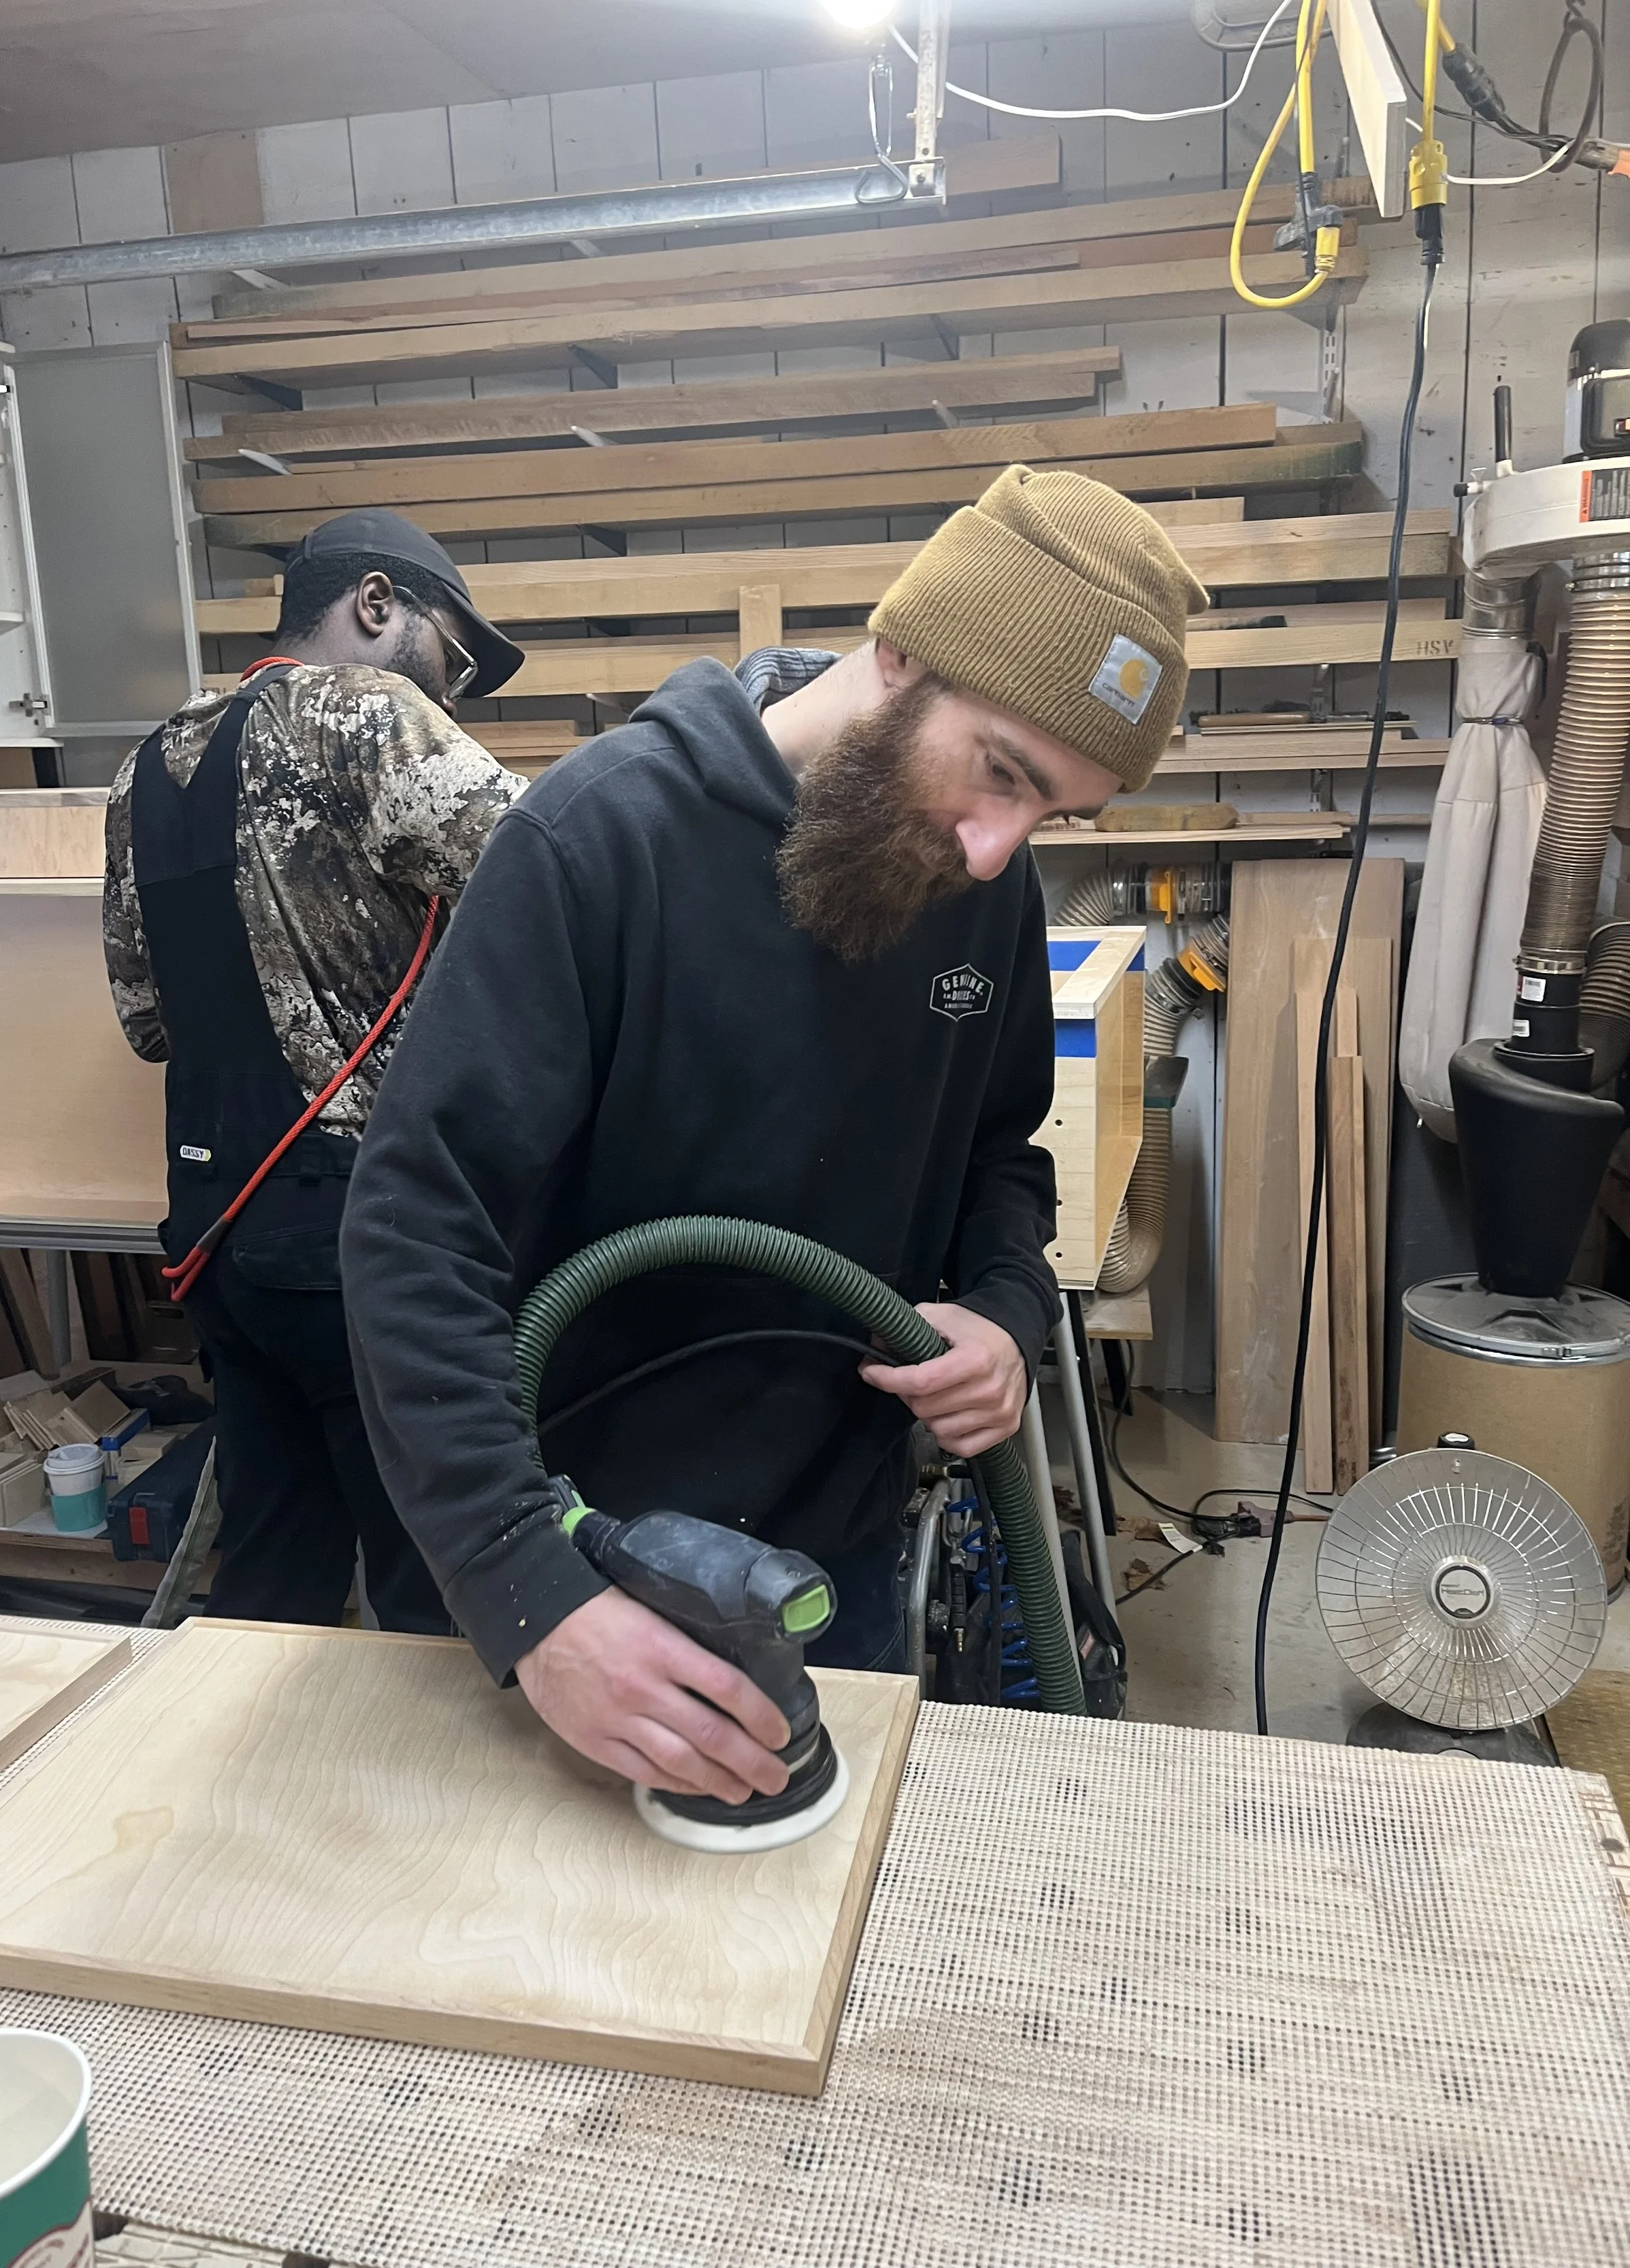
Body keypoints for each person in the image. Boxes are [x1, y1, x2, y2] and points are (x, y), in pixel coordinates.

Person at [342, 467, 1204, 1797]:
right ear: (900, 654)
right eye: (999, 775)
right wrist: (526, 1582)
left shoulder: (982, 890)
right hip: (572, 1569)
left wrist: (1000, 1305)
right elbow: (413, 1233)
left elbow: (999, 1154)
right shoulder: (596, 840)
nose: (995, 849)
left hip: (823, 1564)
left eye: (1052, 814)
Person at [103, 507, 529, 1631]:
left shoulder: (144, 764)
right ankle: (422, 1808)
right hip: (357, 1232)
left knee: (273, 1571)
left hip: (213, 1231)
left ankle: (248, 1801)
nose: (455, 694)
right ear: (378, 605)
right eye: (455, 655)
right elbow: (557, 882)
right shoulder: (368, 714)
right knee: (434, 1586)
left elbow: (146, 1018)